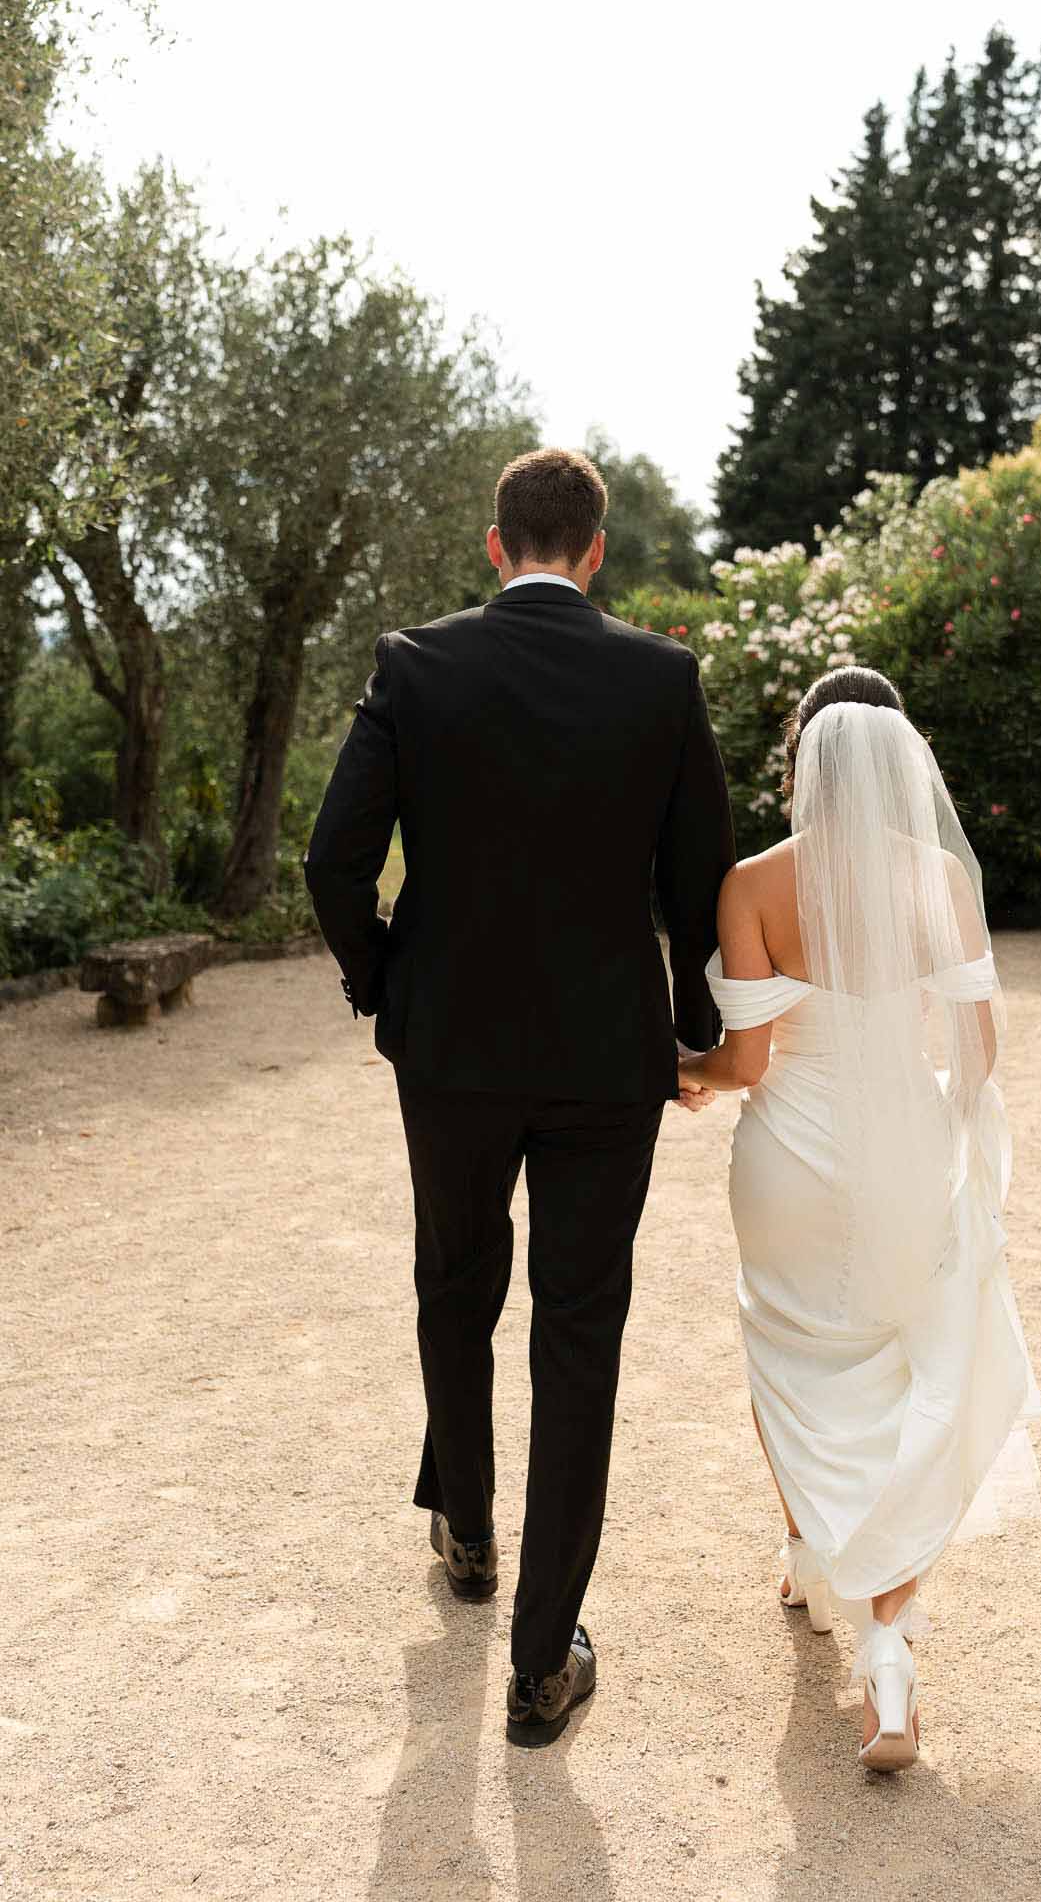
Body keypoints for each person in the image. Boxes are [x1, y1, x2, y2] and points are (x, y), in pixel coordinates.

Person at [304, 447, 735, 1747]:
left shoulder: (413, 664)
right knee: (577, 1335)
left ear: (496, 546)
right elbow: (696, 883)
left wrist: (387, 987)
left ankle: (470, 1534)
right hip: (606, 1063)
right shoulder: (660, 679)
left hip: (449, 1052)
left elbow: (333, 859)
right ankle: (541, 1669)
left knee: (452, 1281)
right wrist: (693, 1032)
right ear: (595, 550)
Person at [676, 667, 1041, 1773]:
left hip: (789, 1151)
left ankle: (806, 1551)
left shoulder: (750, 883)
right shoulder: (937, 875)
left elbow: (743, 1061)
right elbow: (980, 1046)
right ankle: (888, 1645)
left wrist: (679, 1069)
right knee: (911, 1363)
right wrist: (949, 1131)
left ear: (801, 761)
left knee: (786, 1349)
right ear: (901, 763)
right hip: (905, 1149)